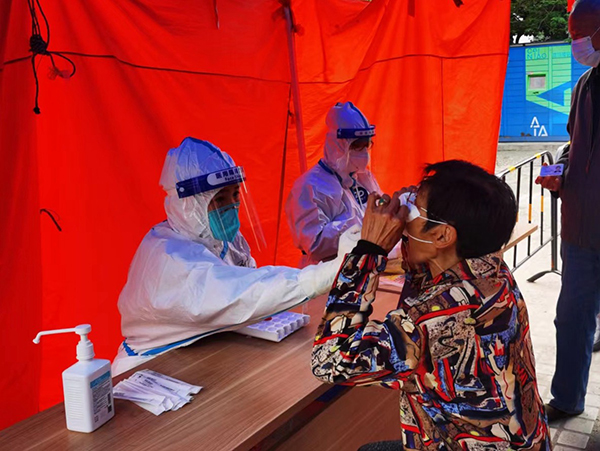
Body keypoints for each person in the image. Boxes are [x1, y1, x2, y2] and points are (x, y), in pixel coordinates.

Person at [312, 160, 550, 450]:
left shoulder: (433, 317)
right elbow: (426, 280)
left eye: (412, 206)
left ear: (442, 235)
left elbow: (329, 361)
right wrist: (404, 232)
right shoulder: (492, 270)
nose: (402, 211)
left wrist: (369, 250)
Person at [112, 137, 359, 375]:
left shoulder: (220, 238)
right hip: (150, 371)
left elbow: (250, 277)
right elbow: (238, 292)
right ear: (189, 205)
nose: (231, 205)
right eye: (219, 198)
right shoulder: (169, 257)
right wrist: (325, 274)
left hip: (195, 354)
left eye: (235, 194)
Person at [535, 0, 600, 422]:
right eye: (572, 34)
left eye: (581, 35)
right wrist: (560, 169)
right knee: (572, 317)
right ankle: (567, 399)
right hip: (580, 229)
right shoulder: (584, 85)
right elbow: (573, 142)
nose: (575, 43)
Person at [285, 102, 381, 267]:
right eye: (356, 146)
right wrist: (360, 227)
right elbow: (314, 244)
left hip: (362, 266)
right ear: (337, 145)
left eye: (366, 145)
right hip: (324, 273)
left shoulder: (363, 177)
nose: (364, 152)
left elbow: (379, 212)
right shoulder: (309, 187)